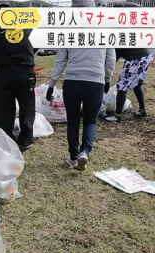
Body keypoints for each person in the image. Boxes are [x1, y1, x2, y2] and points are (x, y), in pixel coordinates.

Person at [46, 0, 116, 170]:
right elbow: (111, 59)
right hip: (95, 83)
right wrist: (107, 79)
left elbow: (61, 60)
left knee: (73, 121)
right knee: (90, 121)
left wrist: (51, 84)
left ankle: (73, 156)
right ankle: (85, 152)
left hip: (72, 82)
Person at [0, 1, 36, 151]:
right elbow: (35, 40)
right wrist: (28, 57)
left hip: (4, 71)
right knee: (27, 106)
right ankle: (25, 140)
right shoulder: (23, 20)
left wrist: (1, 60)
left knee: (3, 108)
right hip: (25, 71)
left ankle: (4, 140)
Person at [105, 2, 154, 122]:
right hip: (147, 55)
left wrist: (105, 77)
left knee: (122, 86)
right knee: (138, 82)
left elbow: (113, 58)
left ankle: (117, 116)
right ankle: (142, 109)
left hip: (135, 58)